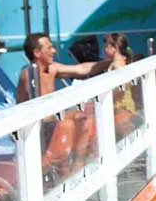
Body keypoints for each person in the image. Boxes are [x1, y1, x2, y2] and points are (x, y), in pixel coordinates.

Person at [16, 33, 108, 174]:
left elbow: (81, 69)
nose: (54, 51)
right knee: (68, 123)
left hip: (50, 123)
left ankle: (78, 167)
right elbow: (39, 114)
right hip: (34, 129)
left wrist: (108, 62)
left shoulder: (51, 69)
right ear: (37, 53)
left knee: (87, 120)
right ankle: (64, 175)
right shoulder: (28, 75)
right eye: (49, 48)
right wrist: (68, 115)